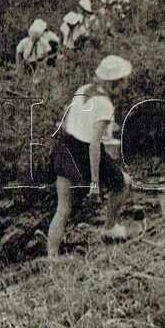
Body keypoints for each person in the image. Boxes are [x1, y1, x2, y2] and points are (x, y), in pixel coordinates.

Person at [47, 55, 133, 258]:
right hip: (85, 151)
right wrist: (94, 182)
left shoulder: (83, 89)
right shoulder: (105, 105)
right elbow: (94, 145)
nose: (125, 86)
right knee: (123, 183)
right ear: (114, 82)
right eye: (123, 82)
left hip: (65, 146)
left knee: (63, 209)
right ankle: (109, 227)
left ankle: (52, 255)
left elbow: (72, 120)